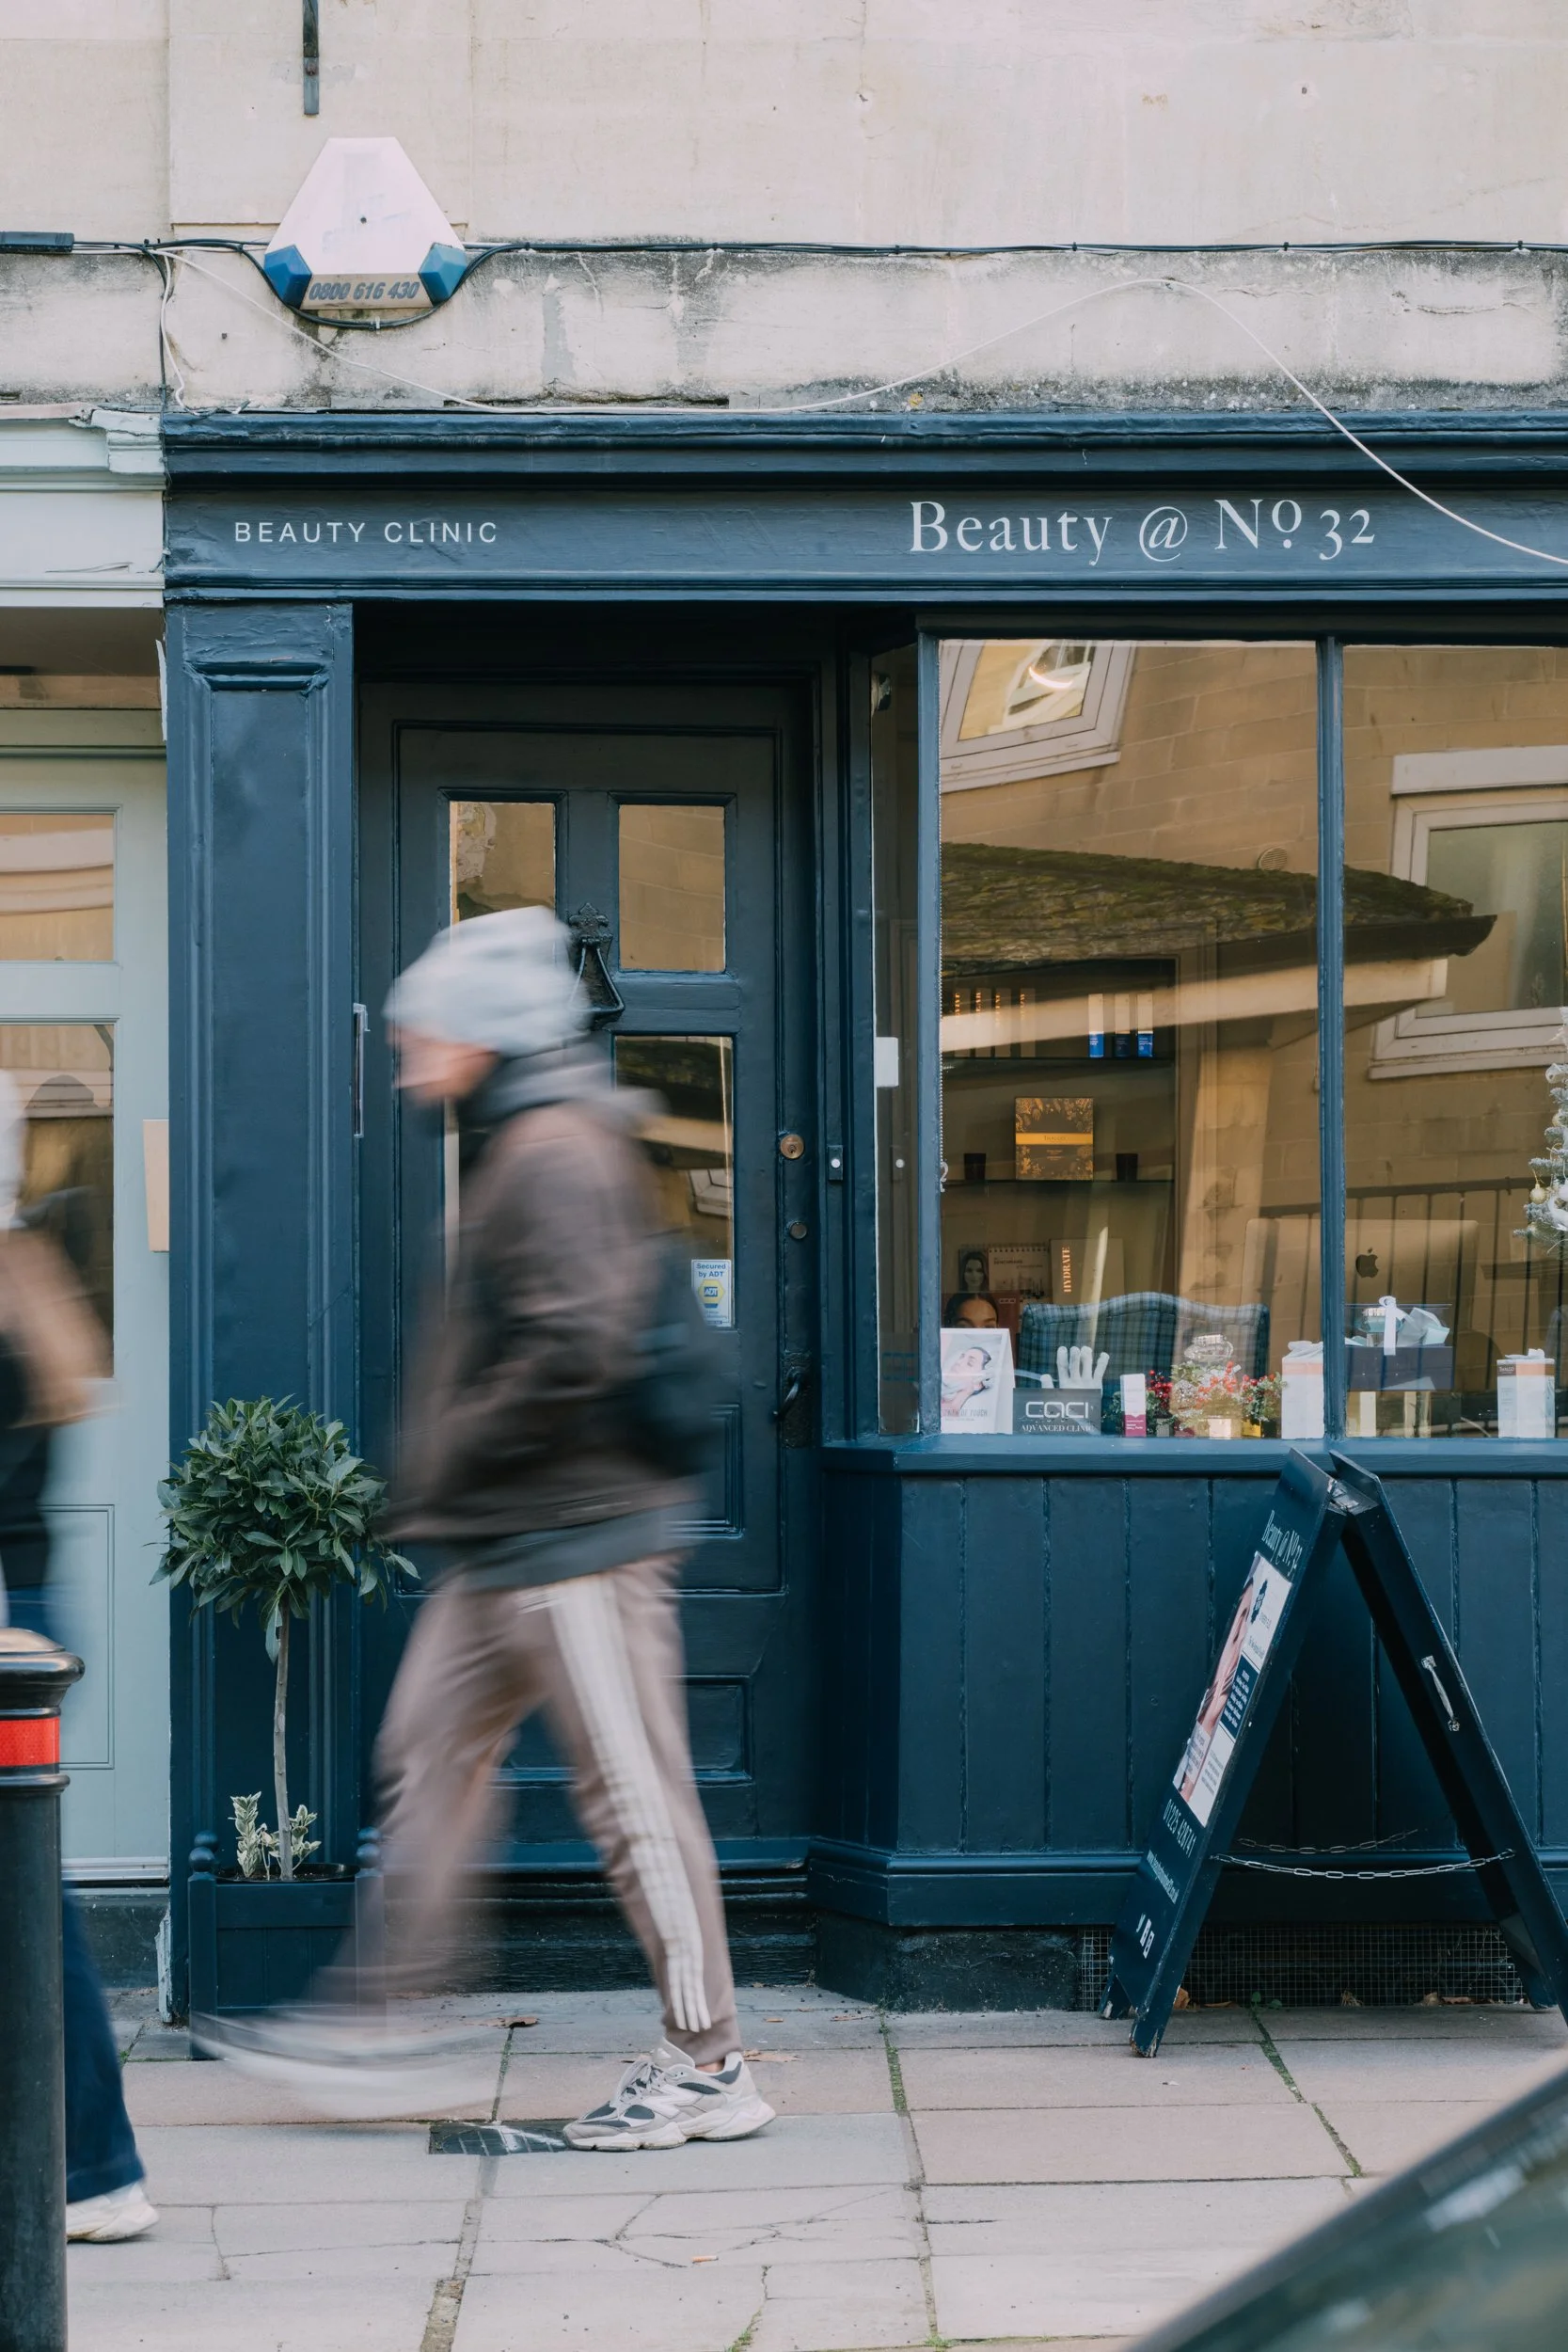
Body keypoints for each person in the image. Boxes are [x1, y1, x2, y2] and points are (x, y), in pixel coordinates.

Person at [199, 908, 773, 2152]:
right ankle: (376, 2029)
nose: (406, 1061)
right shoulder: (520, 1141)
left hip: (578, 1535)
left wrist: (455, 1450)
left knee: (629, 1796)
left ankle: (708, 2060)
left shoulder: (555, 1150)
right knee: (425, 1765)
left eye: (418, 1037)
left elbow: (580, 1344)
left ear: (481, 1034)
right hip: (506, 1543)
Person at [0, 1074, 157, 2242]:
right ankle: (91, 2166)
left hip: (10, 1625)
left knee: (27, 1907)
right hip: (29, 1618)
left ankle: (96, 2167)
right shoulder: (27, 1286)